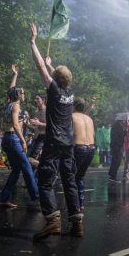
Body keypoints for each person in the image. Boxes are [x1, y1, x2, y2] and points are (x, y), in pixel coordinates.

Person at [29, 24, 83, 241]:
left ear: (56, 80)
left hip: (53, 142)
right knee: (69, 180)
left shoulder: (54, 90)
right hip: (68, 143)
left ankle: (52, 220)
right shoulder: (69, 93)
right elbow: (57, 76)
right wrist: (53, 67)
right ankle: (77, 222)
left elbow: (40, 66)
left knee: (45, 180)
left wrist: (33, 42)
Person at [0, 64, 39, 208]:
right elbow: (16, 125)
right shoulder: (15, 106)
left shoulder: (8, 104)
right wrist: (23, 141)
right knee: (27, 166)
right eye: (23, 93)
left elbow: (11, 90)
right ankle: (37, 196)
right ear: (19, 95)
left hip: (6, 140)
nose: (24, 95)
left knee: (16, 170)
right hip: (13, 139)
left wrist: (14, 75)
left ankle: (4, 199)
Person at [72, 98, 96, 211]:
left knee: (71, 176)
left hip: (79, 148)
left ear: (74, 106)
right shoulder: (89, 118)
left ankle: (74, 204)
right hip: (91, 148)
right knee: (79, 177)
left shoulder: (72, 116)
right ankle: (81, 204)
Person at [27, 93, 47, 168]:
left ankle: (45, 168)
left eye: (37, 99)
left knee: (32, 158)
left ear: (43, 100)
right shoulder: (36, 112)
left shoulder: (48, 111)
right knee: (28, 158)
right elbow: (36, 127)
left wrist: (39, 123)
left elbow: (52, 126)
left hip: (44, 138)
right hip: (36, 138)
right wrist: (27, 124)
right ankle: (42, 169)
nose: (35, 100)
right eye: (35, 99)